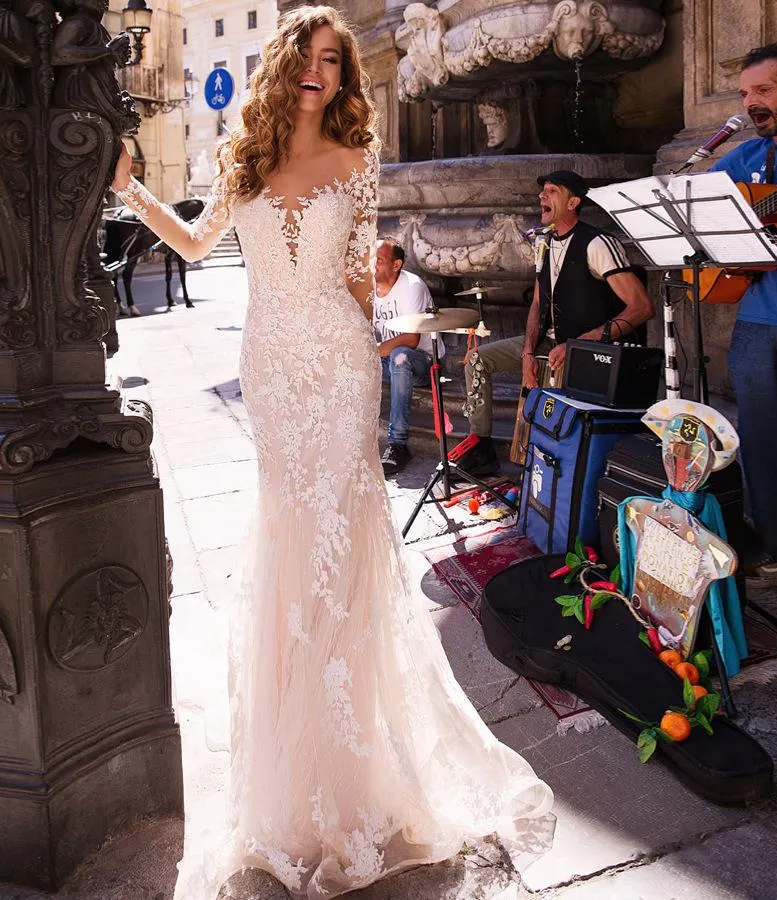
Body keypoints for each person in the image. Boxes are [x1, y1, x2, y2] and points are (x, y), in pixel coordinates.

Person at [110, 7, 554, 899]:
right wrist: (130, 190)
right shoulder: (244, 159)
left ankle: (356, 770)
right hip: (271, 366)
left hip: (339, 365)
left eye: (334, 63)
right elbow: (197, 243)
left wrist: (392, 340)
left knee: (341, 544)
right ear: (286, 66)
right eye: (309, 58)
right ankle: (291, 769)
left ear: (345, 80)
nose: (321, 73)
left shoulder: (358, 162)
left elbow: (359, 280)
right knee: (288, 536)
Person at [456, 170, 654, 476]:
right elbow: (538, 303)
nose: (541, 196)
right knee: (476, 359)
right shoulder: (543, 242)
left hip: (588, 352)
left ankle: (553, 470)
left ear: (574, 201)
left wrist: (582, 342)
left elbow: (641, 307)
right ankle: (481, 445)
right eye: (542, 191)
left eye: (552, 191)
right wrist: (526, 355)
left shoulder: (598, 244)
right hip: (550, 341)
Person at [709, 43, 777, 589]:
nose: (752, 103)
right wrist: (774, 200)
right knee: (761, 439)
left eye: (765, 90)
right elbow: (702, 206)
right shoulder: (748, 156)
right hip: (756, 316)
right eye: (746, 93)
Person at [373, 238, 441, 476]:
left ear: (396, 264)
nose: (373, 264)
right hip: (387, 359)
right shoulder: (370, 287)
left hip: (422, 362)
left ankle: (398, 444)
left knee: (400, 357)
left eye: (379, 260)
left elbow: (411, 339)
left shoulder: (412, 286)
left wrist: (372, 351)